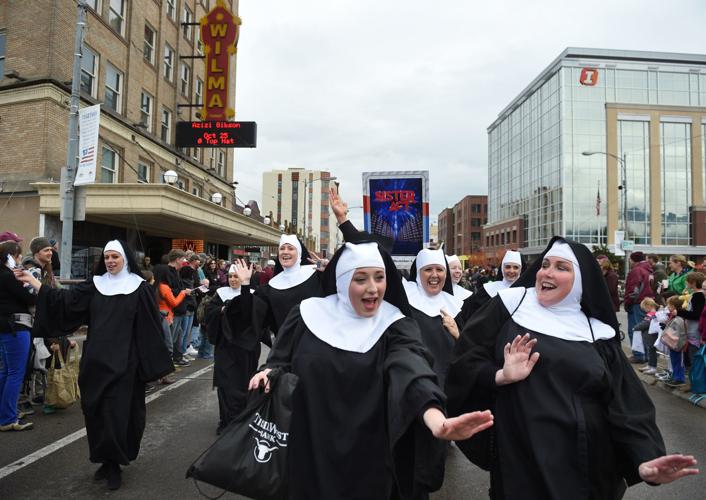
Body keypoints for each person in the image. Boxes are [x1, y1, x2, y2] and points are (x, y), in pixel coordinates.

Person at [446, 236, 699, 499]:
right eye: (545, 264)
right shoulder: (510, 306)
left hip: (587, 463)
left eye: (561, 267)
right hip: (521, 457)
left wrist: (645, 459)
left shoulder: (596, 331)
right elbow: (464, 361)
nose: (547, 272)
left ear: (580, 280)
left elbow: (626, 403)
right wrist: (499, 376)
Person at [248, 240, 494, 500]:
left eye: (380, 277)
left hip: (371, 457)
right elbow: (279, 360)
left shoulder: (395, 326)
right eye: (361, 279)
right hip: (311, 446)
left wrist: (436, 420)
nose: (373, 288)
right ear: (342, 281)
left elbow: (412, 372)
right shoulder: (306, 315)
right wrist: (267, 374)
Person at [15, 240, 174, 490]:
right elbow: (64, 301)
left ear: (125, 259)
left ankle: (115, 464)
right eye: (107, 257)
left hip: (126, 363)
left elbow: (149, 328)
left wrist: (150, 365)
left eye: (115, 257)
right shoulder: (96, 286)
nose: (110, 261)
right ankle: (104, 459)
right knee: (97, 413)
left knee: (119, 415)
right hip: (97, 361)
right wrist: (34, 282)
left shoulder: (139, 288)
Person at [204, 260, 258, 434]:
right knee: (225, 384)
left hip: (245, 349)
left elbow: (254, 318)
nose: (233, 280)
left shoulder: (252, 294)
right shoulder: (220, 294)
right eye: (231, 276)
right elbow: (208, 313)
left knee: (243, 384)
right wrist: (221, 311)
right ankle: (225, 420)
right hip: (225, 347)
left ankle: (241, 421)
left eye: (237, 276)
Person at [402, 247, 463, 389]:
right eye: (428, 269)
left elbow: (469, 353)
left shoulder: (456, 308)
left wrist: (458, 334)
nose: (435, 275)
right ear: (418, 273)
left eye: (440, 270)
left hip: (448, 386)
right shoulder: (405, 302)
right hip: (413, 383)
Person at [252, 234, 324, 346]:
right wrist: (245, 284)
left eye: (290, 248)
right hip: (286, 350)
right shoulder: (269, 287)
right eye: (282, 248)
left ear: (299, 253)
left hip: (317, 345)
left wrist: (329, 269)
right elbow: (255, 317)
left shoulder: (316, 274)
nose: (285, 252)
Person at [0, 240, 35, 431]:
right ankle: (8, 418)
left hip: (4, 328)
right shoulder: (8, 277)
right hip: (16, 327)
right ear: (11, 256)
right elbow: (29, 297)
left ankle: (4, 415)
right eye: (18, 255)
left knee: (6, 372)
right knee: (15, 373)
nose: (20, 258)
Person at [464, 250, 522, 319]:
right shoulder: (487, 290)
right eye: (508, 267)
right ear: (502, 269)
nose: (511, 271)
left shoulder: (526, 292)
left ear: (520, 270)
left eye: (516, 267)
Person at [624, 251, 654, 364]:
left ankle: (638, 355)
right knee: (644, 330)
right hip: (647, 301)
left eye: (630, 260)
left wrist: (628, 302)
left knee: (635, 329)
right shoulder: (649, 270)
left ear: (633, 260)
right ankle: (645, 355)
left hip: (637, 303)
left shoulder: (636, 270)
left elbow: (633, 290)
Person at [676, 272, 705, 372]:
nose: (685, 282)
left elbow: (696, 315)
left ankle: (695, 384)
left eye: (687, 281)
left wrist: (679, 312)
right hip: (693, 331)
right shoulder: (696, 295)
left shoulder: (698, 296)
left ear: (693, 282)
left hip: (695, 332)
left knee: (694, 359)